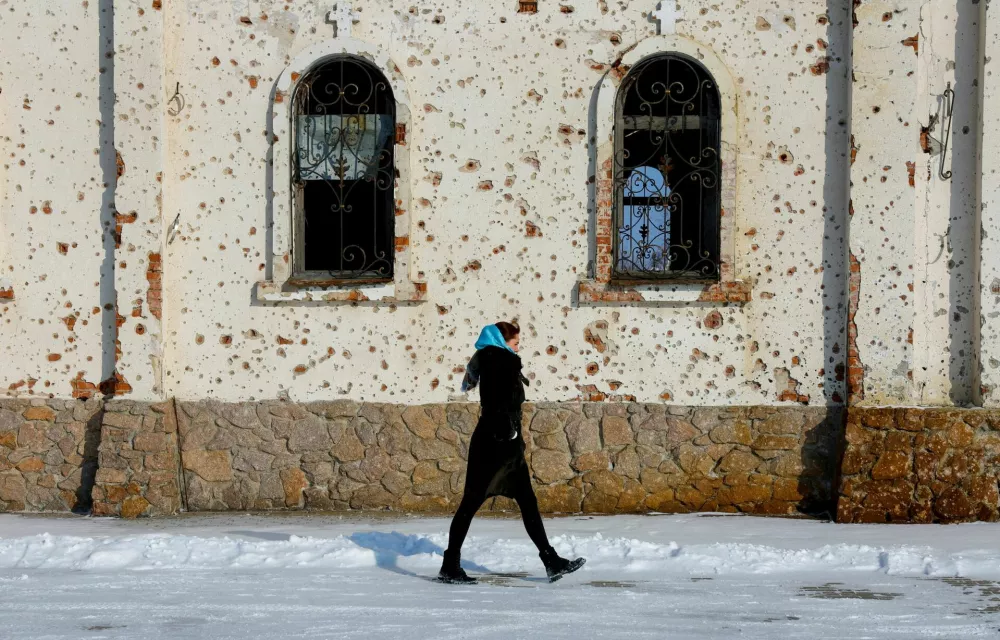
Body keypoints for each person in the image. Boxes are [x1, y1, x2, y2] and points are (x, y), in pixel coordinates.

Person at [438, 322, 586, 584]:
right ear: (502, 342)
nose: (519, 348)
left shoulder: (494, 360)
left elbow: (499, 401)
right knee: (473, 503)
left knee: (518, 500)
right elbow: (498, 402)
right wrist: (508, 432)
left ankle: (550, 559)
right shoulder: (500, 362)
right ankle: (451, 565)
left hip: (497, 441)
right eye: (516, 343)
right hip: (498, 444)